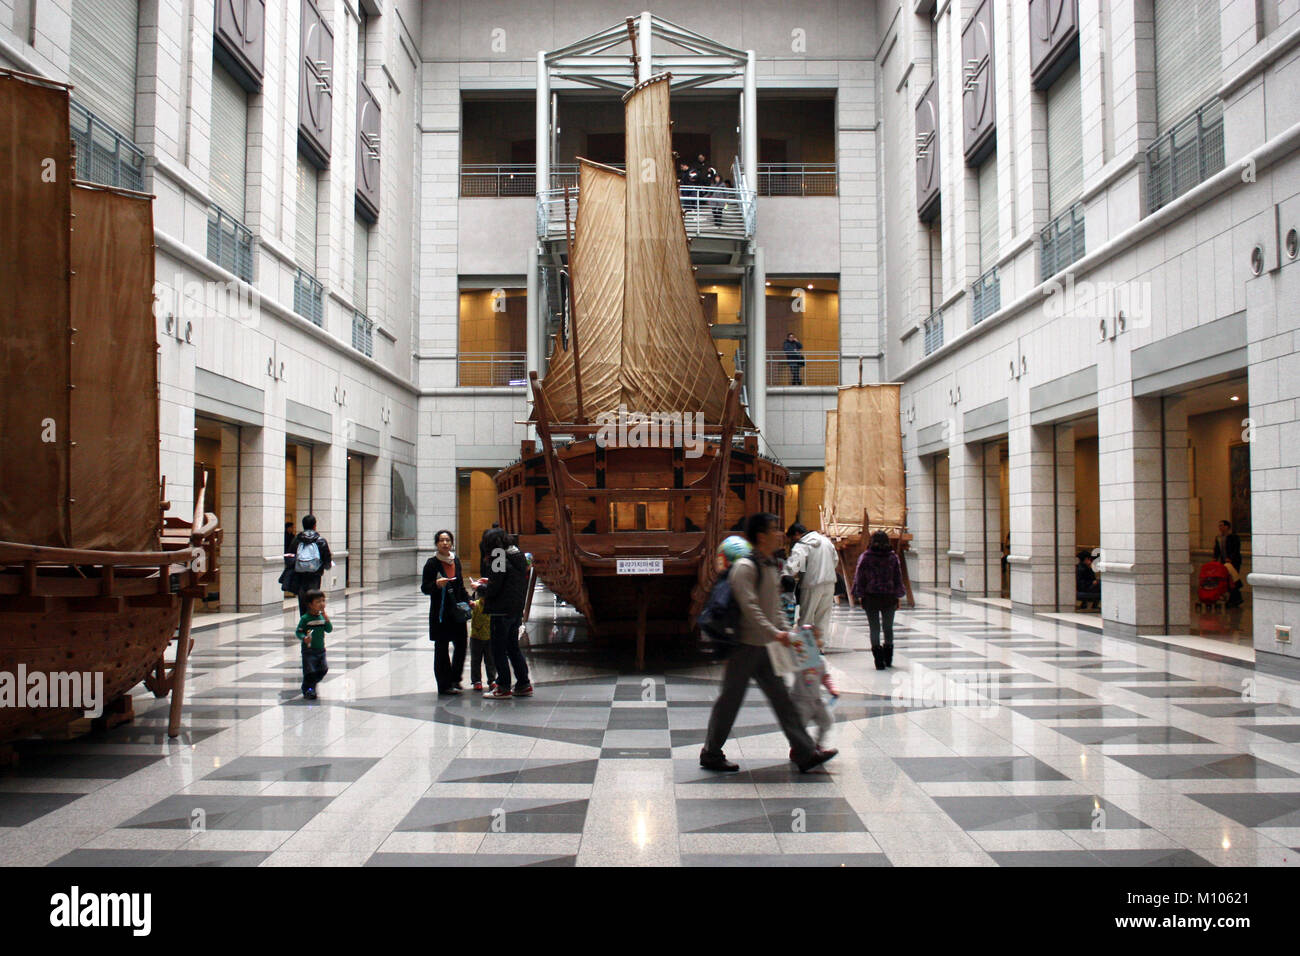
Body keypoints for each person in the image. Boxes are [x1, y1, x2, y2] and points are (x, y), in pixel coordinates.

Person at [700, 512, 838, 774]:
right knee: (730, 701)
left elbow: (773, 607)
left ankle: (806, 752)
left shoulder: (769, 565)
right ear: (761, 536)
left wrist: (788, 633)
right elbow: (749, 607)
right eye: (774, 529)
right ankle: (711, 753)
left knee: (783, 701)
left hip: (764, 647)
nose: (779, 534)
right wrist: (775, 633)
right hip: (744, 646)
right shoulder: (745, 568)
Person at [476, 527, 532, 699]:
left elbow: (495, 588)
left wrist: (481, 587)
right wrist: (491, 581)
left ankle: (503, 686)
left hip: (501, 611)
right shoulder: (517, 553)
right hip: (515, 609)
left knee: (498, 650)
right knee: (513, 648)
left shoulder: (498, 556)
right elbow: (508, 579)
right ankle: (523, 683)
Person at [422, 529, 469, 696]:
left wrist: (468, 600)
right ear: (437, 543)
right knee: (441, 648)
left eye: (447, 540)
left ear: (452, 543)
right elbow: (425, 588)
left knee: (462, 644)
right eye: (441, 540)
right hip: (440, 613)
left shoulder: (455, 560)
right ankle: (444, 684)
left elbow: (461, 586)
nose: (445, 543)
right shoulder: (431, 564)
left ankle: (455, 678)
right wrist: (436, 585)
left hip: (456, 612)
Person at [852, 530, 906, 670]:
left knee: (874, 628)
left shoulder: (866, 557)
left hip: (871, 598)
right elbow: (897, 578)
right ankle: (888, 658)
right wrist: (898, 596)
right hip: (889, 597)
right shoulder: (892, 557)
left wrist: (860, 595)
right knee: (888, 628)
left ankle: (878, 661)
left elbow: (859, 577)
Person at [784, 521, 838, 643]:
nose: (793, 541)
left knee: (806, 618)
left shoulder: (802, 544)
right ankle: (820, 647)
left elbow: (793, 567)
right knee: (823, 617)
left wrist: (783, 576)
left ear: (797, 534)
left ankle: (806, 648)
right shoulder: (826, 541)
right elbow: (835, 560)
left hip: (811, 584)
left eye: (792, 538)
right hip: (829, 583)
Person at [284, 515, 333, 616]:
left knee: (302, 600)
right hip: (315, 575)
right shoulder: (320, 540)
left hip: (300, 576)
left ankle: (304, 622)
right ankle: (313, 620)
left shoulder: (296, 540)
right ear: (315, 526)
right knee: (314, 599)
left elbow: (289, 556)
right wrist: (326, 566)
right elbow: (327, 559)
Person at [295, 589, 331, 700]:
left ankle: (310, 685)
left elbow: (329, 630)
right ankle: (309, 690)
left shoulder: (321, 618)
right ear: (310, 604)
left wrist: (327, 620)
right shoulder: (305, 618)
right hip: (309, 650)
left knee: (323, 669)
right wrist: (303, 638)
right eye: (318, 601)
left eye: (323, 601)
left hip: (321, 649)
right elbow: (299, 631)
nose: (322, 604)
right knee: (310, 672)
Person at [467, 594, 496, 691]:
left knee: (490, 660)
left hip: (488, 636)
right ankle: (476, 681)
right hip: (477, 637)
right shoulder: (476, 605)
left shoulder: (492, 605)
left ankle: (491, 680)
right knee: (476, 660)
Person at [1214, 519, 1244, 608]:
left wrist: (1230, 558)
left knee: (1233, 579)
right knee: (1227, 580)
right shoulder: (1218, 537)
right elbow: (1217, 549)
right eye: (1219, 526)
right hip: (1224, 562)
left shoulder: (1234, 537)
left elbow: (1236, 549)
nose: (1220, 527)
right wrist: (1215, 558)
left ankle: (1234, 599)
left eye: (1222, 525)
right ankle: (1236, 598)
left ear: (1227, 527)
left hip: (1233, 562)